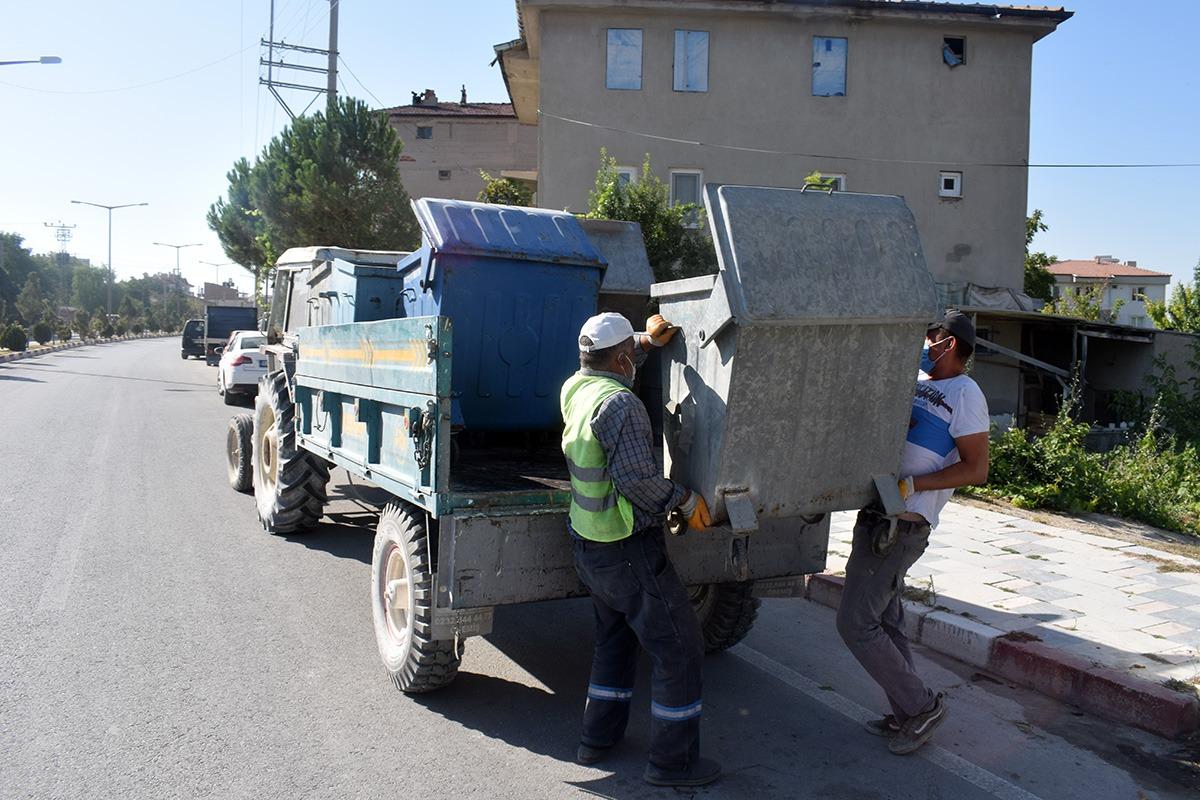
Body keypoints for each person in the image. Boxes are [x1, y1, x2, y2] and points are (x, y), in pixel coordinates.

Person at [560, 311, 722, 788]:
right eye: (632, 354)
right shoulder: (624, 407)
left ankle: (597, 740)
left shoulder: (576, 388)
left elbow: (613, 363)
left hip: (589, 543)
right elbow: (637, 483)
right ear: (623, 359)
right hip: (627, 546)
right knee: (680, 650)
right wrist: (685, 499)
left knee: (614, 639)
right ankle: (673, 764)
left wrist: (646, 344)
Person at [836, 309, 990, 755]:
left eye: (933, 335)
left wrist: (913, 484)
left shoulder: (965, 393)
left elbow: (976, 468)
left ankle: (923, 708)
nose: (926, 341)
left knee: (855, 622)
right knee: (886, 620)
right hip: (879, 513)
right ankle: (908, 712)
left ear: (952, 343)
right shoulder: (921, 384)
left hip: (902, 523)